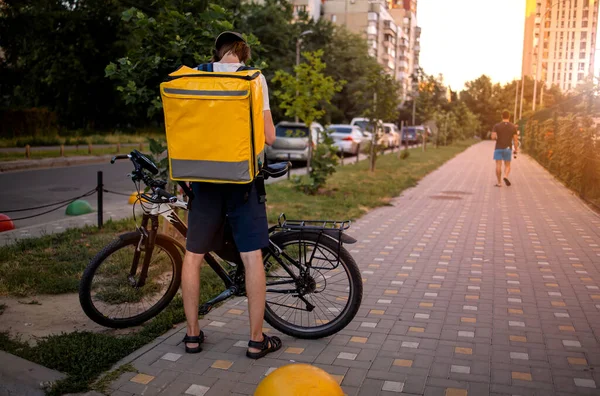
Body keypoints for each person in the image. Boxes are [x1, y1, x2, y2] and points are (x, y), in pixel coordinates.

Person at [180, 31, 279, 359]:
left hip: (205, 180)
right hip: (243, 181)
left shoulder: (197, 74)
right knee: (252, 258)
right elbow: (269, 137)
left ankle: (192, 336)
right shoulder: (255, 78)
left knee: (193, 258)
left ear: (218, 54)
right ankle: (255, 340)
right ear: (243, 55)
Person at [491, 110, 519, 187]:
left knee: (498, 165)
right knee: (507, 165)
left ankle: (499, 183)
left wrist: (496, 137)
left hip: (498, 148)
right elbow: (515, 140)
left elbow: (493, 137)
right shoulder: (513, 126)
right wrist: (516, 149)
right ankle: (505, 176)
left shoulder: (497, 126)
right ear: (509, 116)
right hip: (508, 148)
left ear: (501, 116)